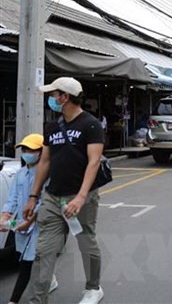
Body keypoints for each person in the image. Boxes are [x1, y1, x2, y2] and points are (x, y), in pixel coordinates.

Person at [22, 77, 105, 304]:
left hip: (81, 198)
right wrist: (33, 196)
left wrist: (80, 197)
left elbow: (94, 162)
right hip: (52, 197)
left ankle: (93, 288)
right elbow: (45, 162)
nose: (51, 99)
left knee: (86, 242)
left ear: (64, 97)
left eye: (53, 94)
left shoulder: (90, 125)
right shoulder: (52, 127)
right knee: (43, 250)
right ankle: (37, 298)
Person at [1, 134, 58, 304]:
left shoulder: (47, 175)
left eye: (31, 150)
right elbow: (12, 199)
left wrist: (31, 220)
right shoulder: (20, 174)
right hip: (23, 227)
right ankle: (50, 279)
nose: (26, 153)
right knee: (33, 261)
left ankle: (14, 300)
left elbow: (45, 202)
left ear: (42, 152)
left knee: (26, 264)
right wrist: (5, 216)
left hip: (40, 226)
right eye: (24, 149)